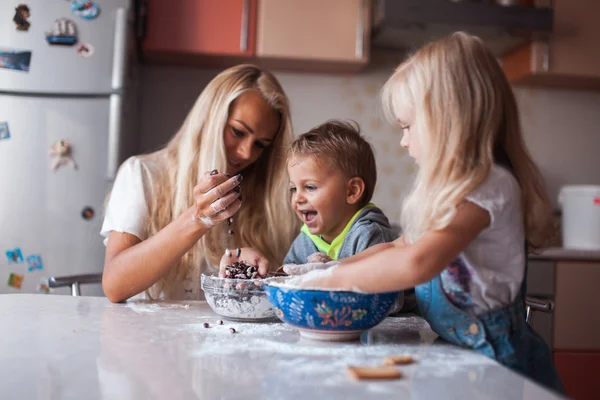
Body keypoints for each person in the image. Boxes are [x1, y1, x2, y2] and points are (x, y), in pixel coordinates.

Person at [285, 33, 564, 393]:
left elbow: (418, 262)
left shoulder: (489, 186)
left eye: (407, 126)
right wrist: (332, 268)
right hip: (459, 348)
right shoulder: (452, 190)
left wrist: (327, 283)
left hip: (494, 357)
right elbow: (400, 247)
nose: (403, 141)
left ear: (449, 119)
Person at [101, 64, 299, 303]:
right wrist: (198, 218)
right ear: (210, 119)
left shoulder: (264, 194)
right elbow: (115, 285)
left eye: (260, 145)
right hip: (149, 335)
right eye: (237, 132)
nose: (247, 153)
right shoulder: (143, 175)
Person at [281, 119, 398, 266]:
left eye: (310, 187)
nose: (297, 198)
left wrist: (332, 269)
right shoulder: (305, 240)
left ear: (352, 191)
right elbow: (285, 277)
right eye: (293, 188)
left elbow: (380, 284)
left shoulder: (369, 234)